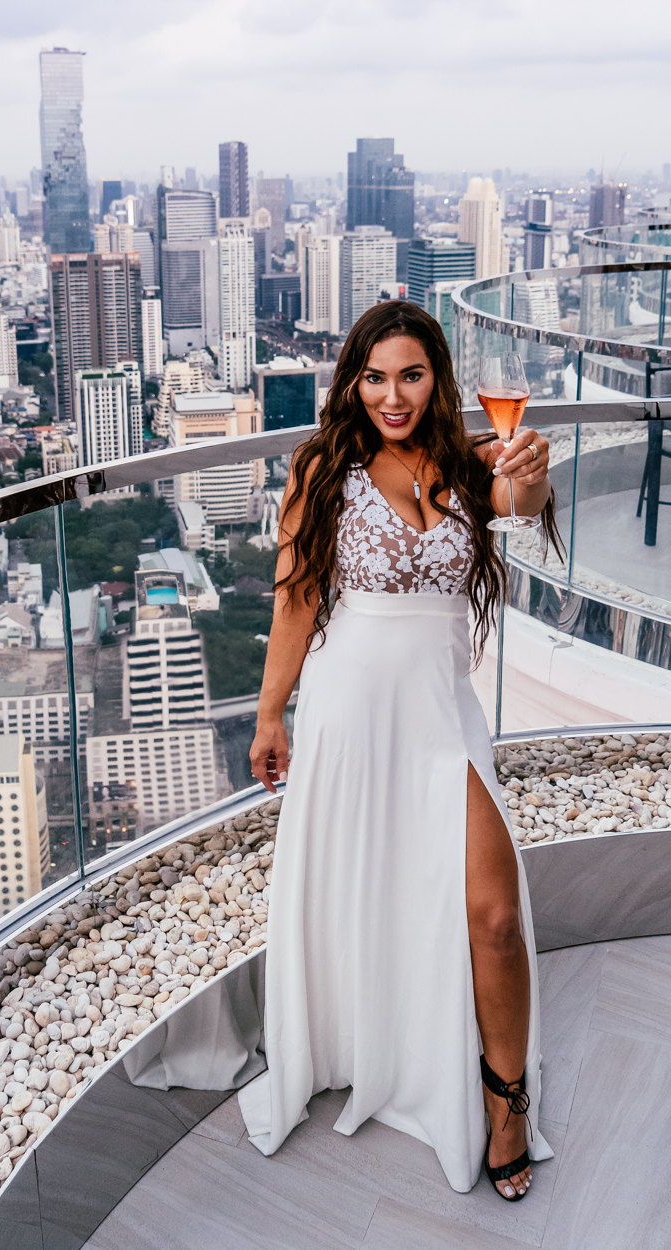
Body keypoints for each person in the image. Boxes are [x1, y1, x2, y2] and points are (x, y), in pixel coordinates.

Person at [239, 301, 560, 1199]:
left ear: (437, 377)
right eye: (374, 377)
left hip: (440, 716)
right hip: (346, 713)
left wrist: (532, 475)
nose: (392, 395)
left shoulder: (467, 460)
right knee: (368, 890)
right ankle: (377, 1043)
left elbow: (520, 504)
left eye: (411, 375)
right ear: (352, 380)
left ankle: (506, 1102)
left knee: (494, 918)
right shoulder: (322, 468)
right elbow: (296, 601)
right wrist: (271, 716)